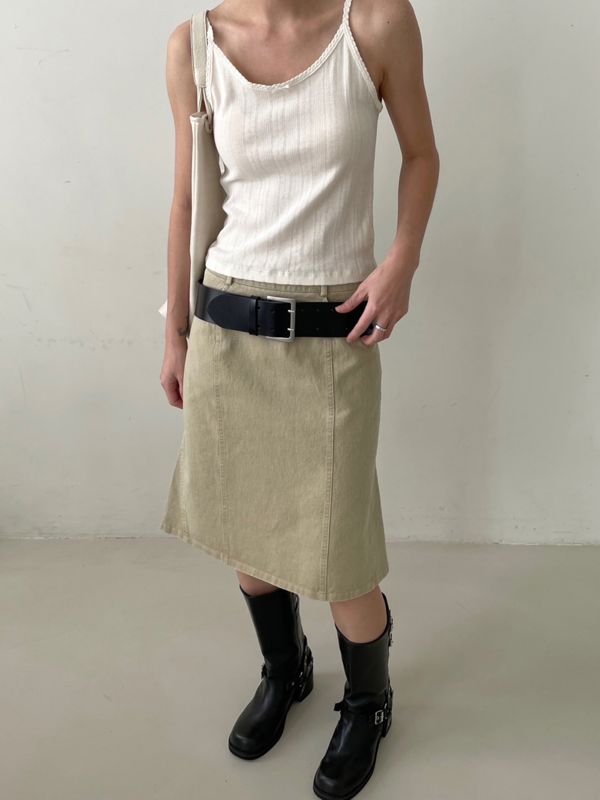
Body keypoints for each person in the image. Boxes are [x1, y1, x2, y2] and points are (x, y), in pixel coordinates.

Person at [159, 1, 439, 797]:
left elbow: (421, 154)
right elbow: (187, 202)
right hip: (227, 330)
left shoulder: (374, 24)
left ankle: (369, 701)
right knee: (248, 546)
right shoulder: (193, 47)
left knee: (342, 557)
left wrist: (403, 260)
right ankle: (287, 669)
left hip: (333, 338)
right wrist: (174, 331)